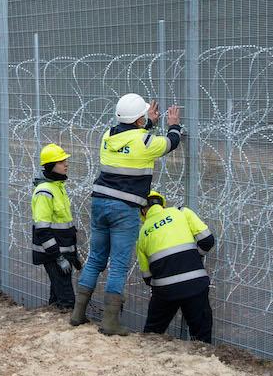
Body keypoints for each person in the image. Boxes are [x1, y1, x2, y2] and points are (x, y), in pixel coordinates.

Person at [72, 93, 181, 335]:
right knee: (119, 264)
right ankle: (110, 322)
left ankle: (77, 313)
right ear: (139, 120)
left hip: (100, 203)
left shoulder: (107, 137)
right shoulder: (145, 143)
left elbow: (128, 139)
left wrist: (147, 122)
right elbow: (170, 143)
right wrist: (174, 125)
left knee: (96, 258)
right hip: (125, 208)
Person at [135, 190, 215, 343]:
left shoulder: (143, 233)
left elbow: (147, 276)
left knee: (151, 335)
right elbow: (207, 240)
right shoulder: (182, 213)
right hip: (195, 284)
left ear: (143, 211)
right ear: (162, 204)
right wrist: (193, 257)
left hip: (165, 291)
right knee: (201, 338)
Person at [31, 143, 80, 311]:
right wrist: (58, 257)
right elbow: (42, 230)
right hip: (53, 254)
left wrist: (72, 255)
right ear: (51, 166)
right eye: (61, 162)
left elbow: (65, 226)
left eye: (65, 161)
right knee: (67, 300)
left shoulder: (58, 187)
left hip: (63, 253)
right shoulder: (45, 192)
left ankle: (50, 325)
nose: (66, 164)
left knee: (57, 295)